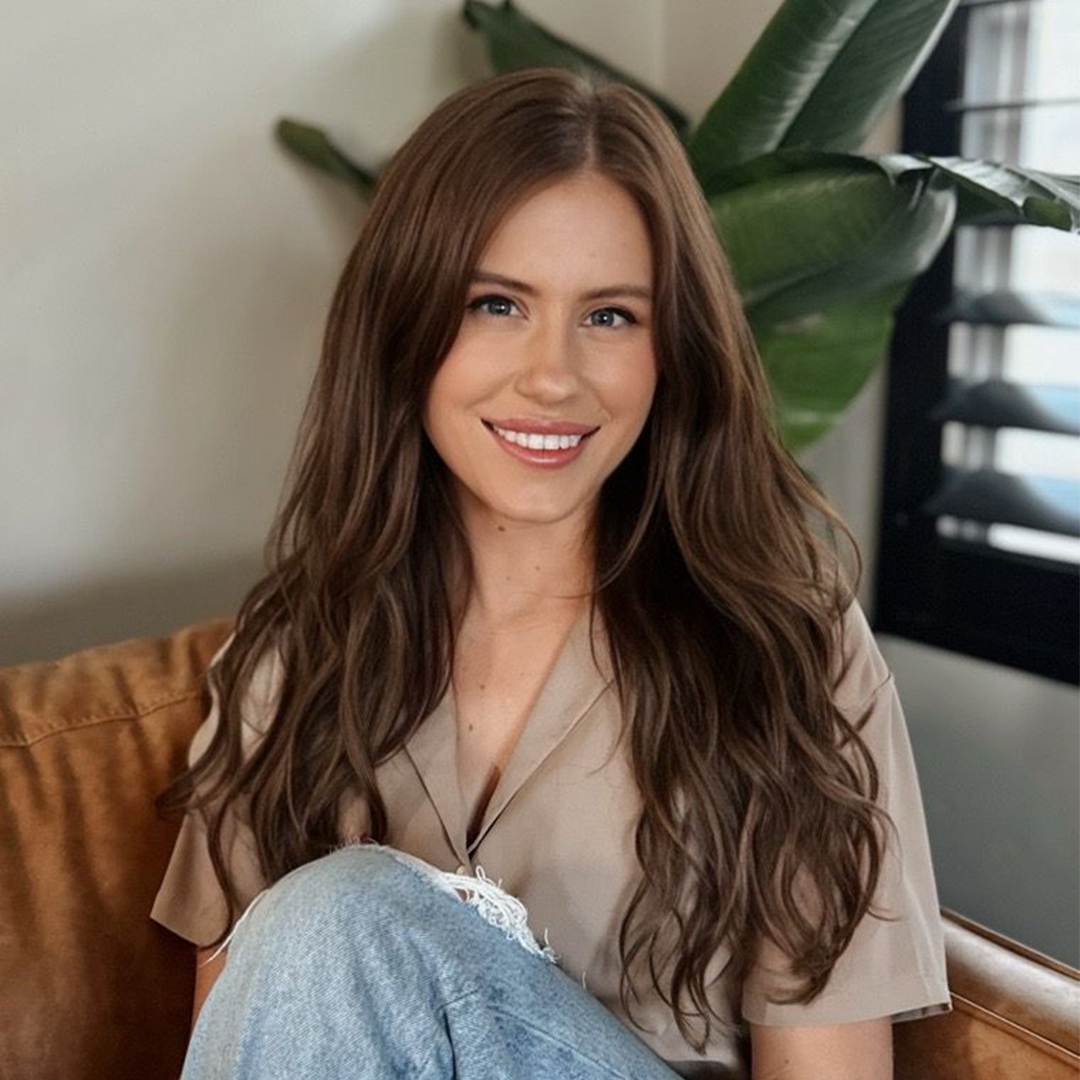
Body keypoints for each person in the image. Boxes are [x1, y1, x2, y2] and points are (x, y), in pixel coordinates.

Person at [151, 65, 952, 1080]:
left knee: (335, 912)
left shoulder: (785, 645)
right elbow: (242, 1038)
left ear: (672, 350)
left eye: (609, 316)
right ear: (404, 326)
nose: (552, 377)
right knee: (320, 925)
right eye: (497, 304)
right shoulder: (293, 648)